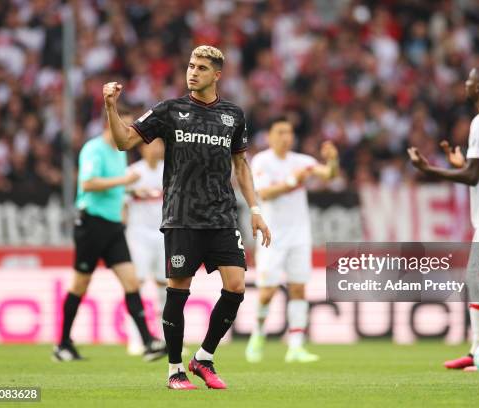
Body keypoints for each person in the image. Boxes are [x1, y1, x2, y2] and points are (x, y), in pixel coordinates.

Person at [102, 45, 271, 390]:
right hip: (182, 216)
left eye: (202, 68)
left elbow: (240, 164)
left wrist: (255, 209)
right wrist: (110, 106)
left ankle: (203, 358)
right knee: (178, 291)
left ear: (217, 75)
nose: (193, 72)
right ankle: (175, 370)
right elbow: (123, 142)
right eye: (191, 66)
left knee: (236, 287)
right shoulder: (169, 110)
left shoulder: (233, 115)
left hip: (222, 215)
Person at [407, 65, 479, 372]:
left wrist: (429, 169)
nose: (465, 83)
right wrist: (463, 164)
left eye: (470, 80)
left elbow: (473, 176)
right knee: (475, 282)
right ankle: (478, 351)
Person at [53, 107, 167, 363]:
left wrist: (134, 193)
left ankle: (148, 342)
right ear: (109, 125)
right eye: (123, 126)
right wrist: (123, 182)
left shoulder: (119, 152)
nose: (126, 132)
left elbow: (119, 189)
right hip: (92, 223)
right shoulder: (94, 149)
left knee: (131, 282)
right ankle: (62, 344)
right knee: (79, 285)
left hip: (114, 226)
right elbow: (88, 184)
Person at [245, 117, 339, 363]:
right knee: (267, 292)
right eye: (280, 132)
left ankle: (296, 346)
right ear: (269, 136)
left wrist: (333, 159)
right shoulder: (262, 160)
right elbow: (264, 192)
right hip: (271, 236)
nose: (285, 137)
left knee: (298, 288)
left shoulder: (302, 161)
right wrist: (292, 181)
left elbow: (328, 174)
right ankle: (258, 334)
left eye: (288, 132)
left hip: (299, 234)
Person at [124, 139, 166, 356]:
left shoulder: (168, 171)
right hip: (138, 236)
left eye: (160, 145)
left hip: (163, 235)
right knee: (136, 285)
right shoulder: (132, 172)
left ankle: (166, 337)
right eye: (153, 145)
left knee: (164, 287)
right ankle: (136, 338)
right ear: (142, 148)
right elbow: (121, 201)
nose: (157, 149)